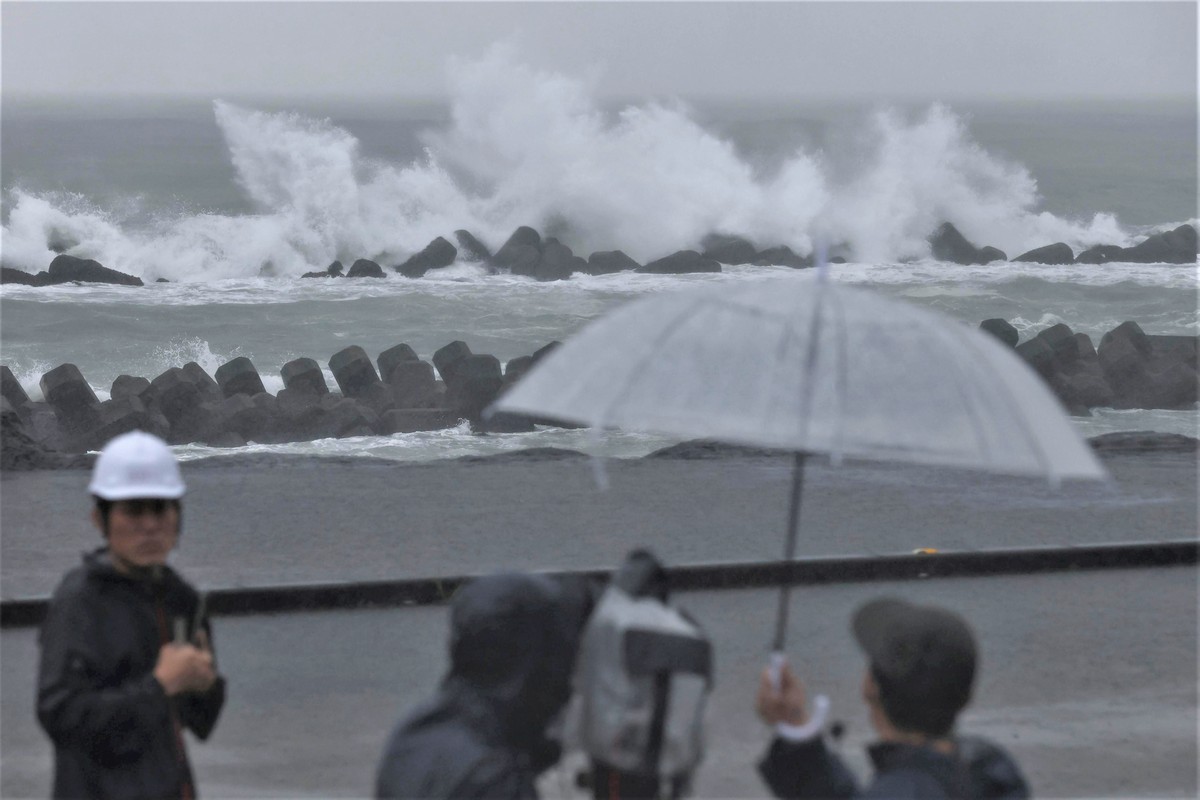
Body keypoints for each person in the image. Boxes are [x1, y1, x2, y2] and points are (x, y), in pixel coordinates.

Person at [37, 430, 226, 800]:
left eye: (160, 508)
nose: (150, 525)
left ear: (178, 515)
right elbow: (61, 716)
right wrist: (159, 686)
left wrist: (205, 687)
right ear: (100, 518)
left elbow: (200, 723)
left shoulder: (181, 600)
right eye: (133, 510)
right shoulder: (80, 601)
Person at [755, 596, 1030, 799]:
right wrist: (797, 726)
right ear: (965, 697)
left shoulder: (902, 789)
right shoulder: (991, 769)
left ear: (869, 687)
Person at [374, 571, 595, 799]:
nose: (566, 686)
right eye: (557, 661)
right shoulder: (493, 779)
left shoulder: (417, 730)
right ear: (530, 670)